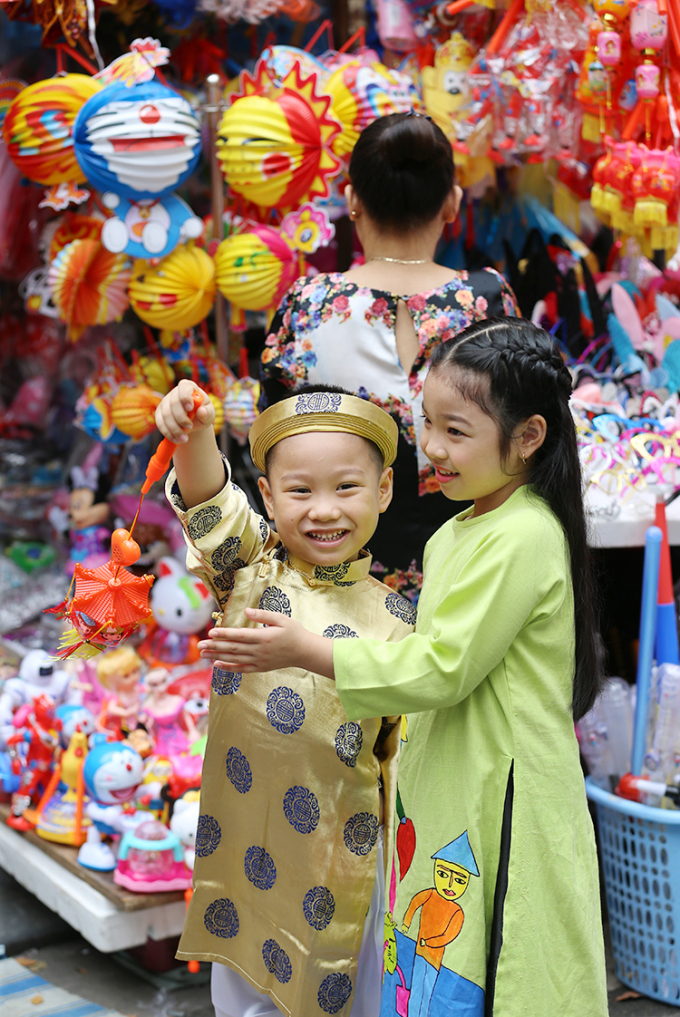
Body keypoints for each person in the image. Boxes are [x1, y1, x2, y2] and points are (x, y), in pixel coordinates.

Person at [199, 318, 608, 1017]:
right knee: (441, 956)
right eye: (427, 423)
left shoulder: (525, 534)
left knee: (502, 959)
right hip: (452, 779)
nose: (435, 448)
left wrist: (306, 651)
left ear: (529, 436)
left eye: (456, 430)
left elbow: (441, 665)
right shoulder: (459, 529)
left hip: (500, 788)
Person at [156, 378, 416, 1017]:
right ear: (268, 497)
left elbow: (404, 767)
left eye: (346, 487)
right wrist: (192, 435)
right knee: (243, 992)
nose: (323, 510)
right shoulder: (250, 569)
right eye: (300, 491)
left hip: (341, 861)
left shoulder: (401, 621)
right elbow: (209, 499)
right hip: (243, 845)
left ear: (382, 489)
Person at [261, 112, 519, 602]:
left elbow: (272, 446)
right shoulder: (488, 300)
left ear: (352, 200)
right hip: (473, 577)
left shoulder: (307, 304)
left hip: (337, 575)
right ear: (452, 203)